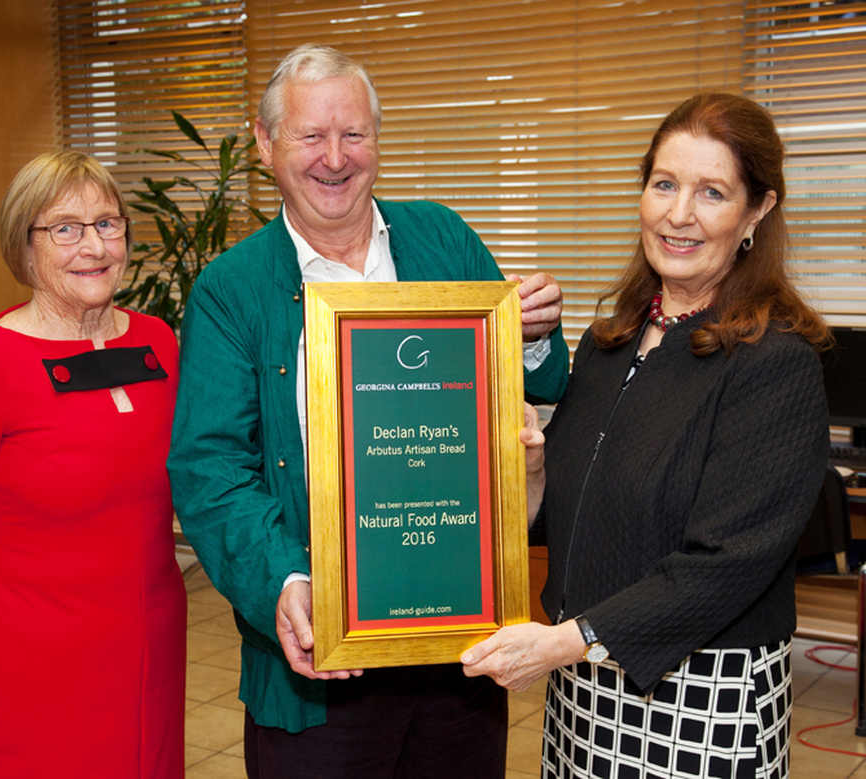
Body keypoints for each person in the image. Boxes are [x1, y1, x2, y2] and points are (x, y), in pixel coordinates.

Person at [168, 44, 568, 778]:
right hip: (319, 674)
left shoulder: (442, 238)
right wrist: (285, 582)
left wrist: (533, 335)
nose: (334, 158)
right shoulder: (231, 290)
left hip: (456, 655)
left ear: (377, 142)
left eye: (353, 134)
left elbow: (537, 385)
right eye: (310, 136)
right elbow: (209, 469)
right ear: (265, 143)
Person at [461, 92, 832, 778]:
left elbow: (725, 565)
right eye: (664, 184)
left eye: (712, 192)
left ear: (756, 211)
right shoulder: (610, 343)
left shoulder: (776, 362)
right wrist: (537, 476)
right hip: (585, 686)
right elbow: (572, 522)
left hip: (701, 697)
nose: (678, 213)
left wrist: (560, 645)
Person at [0, 151, 186, 778]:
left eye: (108, 224)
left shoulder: (157, 342)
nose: (93, 245)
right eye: (65, 228)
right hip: (34, 658)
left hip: (151, 642)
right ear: (24, 247)